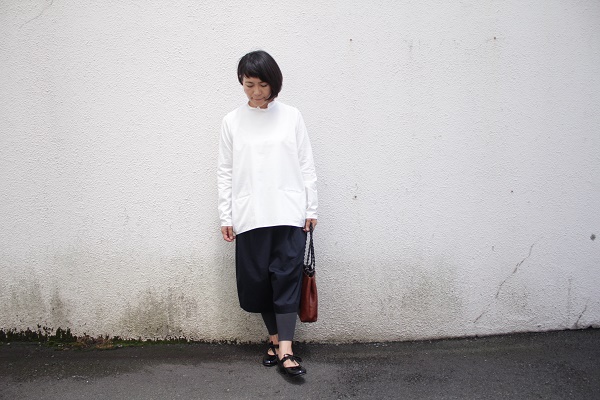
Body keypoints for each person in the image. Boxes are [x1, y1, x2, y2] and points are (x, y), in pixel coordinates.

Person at [217, 50, 318, 378]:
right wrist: (226, 215)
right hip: (250, 214)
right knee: (259, 282)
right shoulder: (232, 121)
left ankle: (286, 350)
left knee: (286, 278)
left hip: (288, 212)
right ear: (241, 82)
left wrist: (311, 207)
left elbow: (306, 163)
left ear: (274, 83)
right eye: (249, 85)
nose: (257, 92)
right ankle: (274, 340)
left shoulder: (291, 116)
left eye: (263, 84)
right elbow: (225, 171)